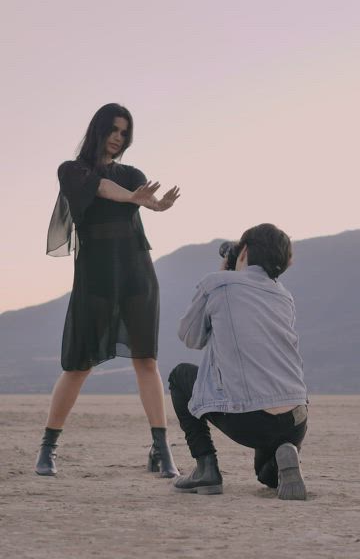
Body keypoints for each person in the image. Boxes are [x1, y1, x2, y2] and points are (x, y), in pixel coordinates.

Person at [35, 103, 180, 478]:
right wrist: (132, 198)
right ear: (99, 130)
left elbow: (140, 196)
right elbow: (102, 187)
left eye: (124, 132)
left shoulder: (133, 174)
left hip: (136, 273)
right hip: (95, 278)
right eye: (113, 130)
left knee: (146, 360)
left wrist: (155, 205)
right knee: (78, 365)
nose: (119, 138)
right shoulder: (72, 171)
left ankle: (162, 451)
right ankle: (48, 448)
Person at [168, 223, 308, 499]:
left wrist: (222, 275)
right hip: (296, 420)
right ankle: (286, 454)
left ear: (243, 252)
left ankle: (206, 467)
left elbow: (190, 337)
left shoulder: (217, 284)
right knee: (266, 476)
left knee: (180, 377)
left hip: (250, 418)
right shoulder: (284, 295)